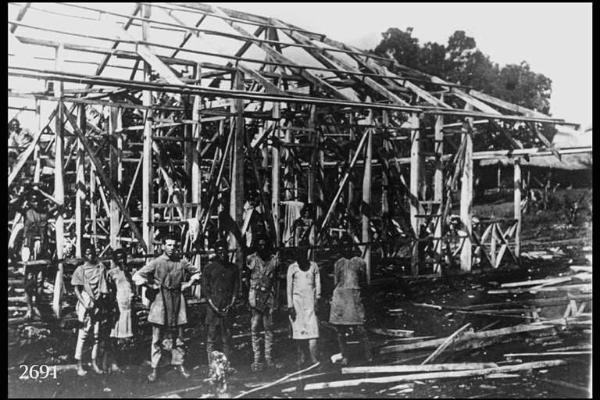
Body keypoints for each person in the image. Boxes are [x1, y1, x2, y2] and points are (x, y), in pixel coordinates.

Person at [132, 234, 200, 382]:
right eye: (168, 245)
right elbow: (137, 276)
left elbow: (196, 273)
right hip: (160, 301)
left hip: (177, 301)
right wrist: (149, 285)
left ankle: (179, 364)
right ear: (163, 246)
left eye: (174, 245)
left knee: (179, 336)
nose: (171, 248)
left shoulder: (182, 262)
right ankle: (155, 368)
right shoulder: (156, 262)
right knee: (156, 338)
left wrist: (187, 284)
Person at [329, 238, 372, 365]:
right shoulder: (338, 263)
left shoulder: (359, 262)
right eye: (344, 246)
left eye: (349, 246)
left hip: (354, 297)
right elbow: (336, 282)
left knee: (361, 328)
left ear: (353, 247)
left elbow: (364, 281)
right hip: (341, 297)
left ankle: (368, 355)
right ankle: (345, 355)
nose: (346, 249)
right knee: (340, 330)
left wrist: (362, 296)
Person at [71, 245, 111, 376]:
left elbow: (105, 285)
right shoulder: (80, 270)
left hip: (98, 302)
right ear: (84, 255)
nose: (90, 255)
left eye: (92, 252)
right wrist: (84, 303)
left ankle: (94, 362)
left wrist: (102, 300)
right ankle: (79, 364)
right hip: (85, 301)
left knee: (96, 334)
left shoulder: (101, 268)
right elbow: (76, 289)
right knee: (83, 334)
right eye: (87, 253)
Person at [201, 240, 239, 367]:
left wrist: (230, 304)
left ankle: (226, 365)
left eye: (224, 250)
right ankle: (211, 366)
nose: (222, 253)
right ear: (216, 252)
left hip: (227, 308)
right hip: (213, 310)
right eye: (219, 251)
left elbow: (235, 289)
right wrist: (215, 307)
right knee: (211, 338)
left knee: (226, 338)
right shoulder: (209, 268)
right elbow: (206, 291)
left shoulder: (233, 268)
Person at [245, 236, 280, 371]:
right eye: (259, 245)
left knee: (268, 328)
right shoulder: (252, 259)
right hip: (255, 296)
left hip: (269, 297)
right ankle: (257, 359)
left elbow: (276, 280)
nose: (262, 247)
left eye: (265, 244)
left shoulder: (274, 260)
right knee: (255, 328)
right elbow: (246, 277)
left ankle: (268, 357)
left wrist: (276, 298)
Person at [287, 248, 321, 366]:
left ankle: (314, 358)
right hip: (297, 303)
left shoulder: (313, 266)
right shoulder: (292, 268)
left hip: (310, 302)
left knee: (313, 331)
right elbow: (289, 288)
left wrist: (317, 299)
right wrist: (290, 305)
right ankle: (301, 357)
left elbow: (317, 284)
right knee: (299, 331)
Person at [104, 249, 135, 373]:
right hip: (118, 306)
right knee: (114, 335)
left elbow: (131, 287)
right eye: (119, 258)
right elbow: (110, 291)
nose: (121, 260)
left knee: (126, 335)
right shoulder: (112, 273)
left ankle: (123, 361)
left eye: (123, 257)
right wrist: (113, 305)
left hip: (128, 306)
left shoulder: (129, 272)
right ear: (115, 260)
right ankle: (112, 362)